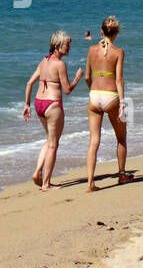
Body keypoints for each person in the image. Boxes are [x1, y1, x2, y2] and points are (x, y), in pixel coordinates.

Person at [22, 30, 83, 192]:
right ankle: (46, 184)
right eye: (67, 45)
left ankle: (37, 172)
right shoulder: (60, 64)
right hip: (52, 104)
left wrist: (27, 105)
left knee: (49, 140)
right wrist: (77, 78)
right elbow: (67, 90)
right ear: (57, 46)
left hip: (38, 103)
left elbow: (29, 83)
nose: (69, 47)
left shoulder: (44, 61)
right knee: (53, 145)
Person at [85, 16, 132, 191]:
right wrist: (121, 103)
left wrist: (93, 91)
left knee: (93, 141)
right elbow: (119, 80)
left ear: (101, 31)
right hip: (111, 96)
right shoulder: (119, 52)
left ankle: (90, 182)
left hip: (94, 96)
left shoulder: (91, 50)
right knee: (121, 139)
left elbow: (87, 77)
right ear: (117, 33)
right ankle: (121, 175)